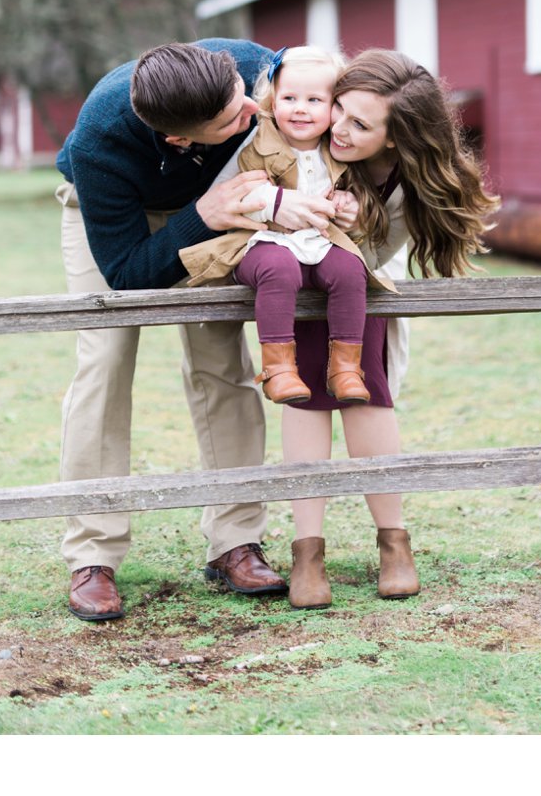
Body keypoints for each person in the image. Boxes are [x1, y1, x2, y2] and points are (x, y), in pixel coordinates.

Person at [56, 38, 337, 622]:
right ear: (182, 139)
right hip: (116, 219)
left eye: (243, 95)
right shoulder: (99, 141)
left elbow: (321, 93)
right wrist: (201, 216)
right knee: (104, 363)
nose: (253, 111)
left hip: (230, 203)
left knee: (222, 359)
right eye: (234, 117)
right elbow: (128, 275)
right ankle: (93, 553)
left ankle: (235, 539)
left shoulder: (252, 70)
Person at [280, 48, 500, 611]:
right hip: (293, 284)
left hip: (361, 291)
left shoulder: (408, 182)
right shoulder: (302, 138)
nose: (340, 129)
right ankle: (307, 550)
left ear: (397, 139)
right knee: (305, 399)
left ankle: (393, 540)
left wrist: (363, 227)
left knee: (366, 396)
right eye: (341, 111)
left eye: (361, 124)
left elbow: (382, 258)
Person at [179, 45, 396, 407]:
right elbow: (233, 195)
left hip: (320, 241)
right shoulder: (256, 142)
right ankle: (278, 368)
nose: (300, 108)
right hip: (263, 240)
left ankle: (345, 368)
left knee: (349, 269)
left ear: (335, 107)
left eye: (314, 100)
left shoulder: (339, 147)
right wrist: (270, 202)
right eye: (289, 97)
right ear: (271, 100)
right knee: (277, 268)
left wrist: (348, 203)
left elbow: (357, 192)